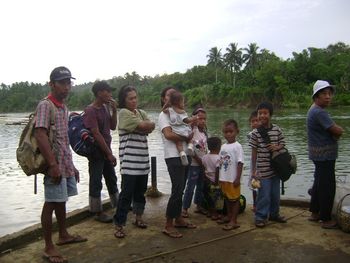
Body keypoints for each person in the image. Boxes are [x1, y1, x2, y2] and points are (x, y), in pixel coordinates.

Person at [34, 66, 87, 263]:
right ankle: (48, 247)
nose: (67, 87)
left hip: (64, 162)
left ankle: (63, 235)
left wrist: (71, 166)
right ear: (52, 84)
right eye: (62, 83)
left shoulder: (63, 107)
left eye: (68, 83)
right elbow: (40, 134)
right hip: (53, 164)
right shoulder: (45, 105)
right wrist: (53, 164)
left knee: (61, 199)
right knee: (51, 202)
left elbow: (63, 140)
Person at [113, 85, 155, 238]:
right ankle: (119, 224)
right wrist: (142, 126)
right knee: (126, 195)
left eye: (135, 97)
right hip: (129, 164)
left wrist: (142, 127)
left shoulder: (141, 112)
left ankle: (138, 218)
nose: (134, 101)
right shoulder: (123, 113)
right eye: (130, 98)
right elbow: (145, 126)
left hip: (143, 162)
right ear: (124, 100)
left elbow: (151, 126)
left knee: (140, 193)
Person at [159, 86, 196, 238]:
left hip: (185, 153)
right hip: (173, 156)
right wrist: (186, 138)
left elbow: (187, 126)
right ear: (164, 99)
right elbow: (168, 134)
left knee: (181, 188)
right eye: (168, 95)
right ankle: (168, 224)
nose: (171, 97)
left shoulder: (181, 113)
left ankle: (179, 219)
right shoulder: (164, 114)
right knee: (177, 189)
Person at [307, 80, 344, 229]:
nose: (328, 97)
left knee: (319, 183)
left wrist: (335, 132)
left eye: (329, 94)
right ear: (316, 96)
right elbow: (337, 131)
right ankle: (326, 218)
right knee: (327, 186)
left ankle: (315, 212)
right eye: (324, 94)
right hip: (325, 156)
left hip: (319, 155)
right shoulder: (319, 112)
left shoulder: (314, 109)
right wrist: (338, 132)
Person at [83, 81, 119, 223]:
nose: (110, 94)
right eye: (107, 91)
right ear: (99, 93)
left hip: (106, 149)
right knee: (96, 180)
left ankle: (117, 204)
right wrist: (109, 153)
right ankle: (97, 211)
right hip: (96, 151)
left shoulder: (104, 107)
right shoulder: (90, 110)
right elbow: (96, 134)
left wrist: (114, 110)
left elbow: (113, 127)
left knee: (111, 178)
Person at [249, 102, 287, 228]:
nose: (262, 116)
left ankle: (274, 214)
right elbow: (254, 153)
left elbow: (283, 144)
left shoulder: (277, 129)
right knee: (264, 195)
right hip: (262, 170)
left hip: (276, 169)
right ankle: (260, 217)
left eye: (265, 113)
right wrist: (253, 171)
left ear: (270, 114)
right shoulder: (255, 133)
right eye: (260, 113)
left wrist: (276, 146)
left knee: (275, 194)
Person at [182, 106, 208, 218]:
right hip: (193, 164)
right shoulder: (193, 130)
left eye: (204, 119)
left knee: (201, 186)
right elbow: (190, 148)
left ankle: (198, 205)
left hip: (202, 164)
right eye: (199, 118)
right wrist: (198, 160)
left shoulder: (204, 132)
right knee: (190, 187)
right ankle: (185, 208)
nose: (202, 121)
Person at [218, 119, 244, 231]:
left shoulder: (238, 146)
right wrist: (219, 177)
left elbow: (240, 163)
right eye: (226, 132)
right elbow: (220, 162)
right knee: (227, 199)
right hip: (224, 178)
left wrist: (238, 178)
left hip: (233, 179)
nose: (228, 134)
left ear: (237, 132)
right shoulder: (223, 147)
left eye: (231, 131)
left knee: (235, 199)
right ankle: (229, 216)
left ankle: (234, 220)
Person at [162, 90, 198, 166]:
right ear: (179, 102)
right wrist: (194, 118)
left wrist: (166, 104)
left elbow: (163, 110)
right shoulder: (182, 112)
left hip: (176, 130)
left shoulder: (170, 110)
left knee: (178, 143)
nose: (184, 104)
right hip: (184, 130)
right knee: (190, 138)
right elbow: (187, 121)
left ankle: (182, 153)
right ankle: (190, 147)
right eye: (183, 102)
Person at [202, 136, 225, 221]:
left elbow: (203, 169)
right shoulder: (218, 158)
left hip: (207, 181)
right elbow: (218, 170)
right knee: (217, 199)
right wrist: (216, 182)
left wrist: (205, 178)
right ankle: (216, 214)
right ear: (219, 146)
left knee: (208, 197)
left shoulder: (205, 157)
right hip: (215, 181)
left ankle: (211, 212)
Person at [247, 110, 260, 212]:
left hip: (262, 162)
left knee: (261, 184)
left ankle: (259, 204)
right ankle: (255, 205)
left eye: (257, 121)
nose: (255, 123)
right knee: (253, 183)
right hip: (254, 162)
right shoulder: (251, 135)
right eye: (252, 121)